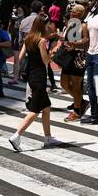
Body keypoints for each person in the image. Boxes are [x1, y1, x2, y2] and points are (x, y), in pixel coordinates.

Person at [9, 16, 61, 151]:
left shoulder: (28, 39)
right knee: (34, 111)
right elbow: (45, 61)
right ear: (42, 27)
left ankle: (48, 137)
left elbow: (19, 58)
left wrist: (17, 72)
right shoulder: (41, 41)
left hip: (31, 76)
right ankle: (16, 135)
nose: (48, 27)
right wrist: (52, 51)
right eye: (47, 25)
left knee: (47, 107)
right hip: (39, 79)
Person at [54, 2, 88, 121]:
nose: (71, 13)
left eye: (73, 12)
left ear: (79, 13)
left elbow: (86, 40)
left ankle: (77, 111)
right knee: (64, 83)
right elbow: (66, 38)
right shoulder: (71, 23)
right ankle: (81, 102)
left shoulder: (83, 26)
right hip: (68, 56)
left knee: (76, 85)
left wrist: (74, 43)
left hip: (78, 57)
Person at [13, 1, 43, 85]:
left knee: (23, 60)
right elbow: (44, 35)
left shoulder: (24, 21)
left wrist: (21, 44)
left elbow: (20, 37)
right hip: (37, 47)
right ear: (40, 10)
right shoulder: (40, 20)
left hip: (25, 45)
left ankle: (23, 74)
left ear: (30, 9)